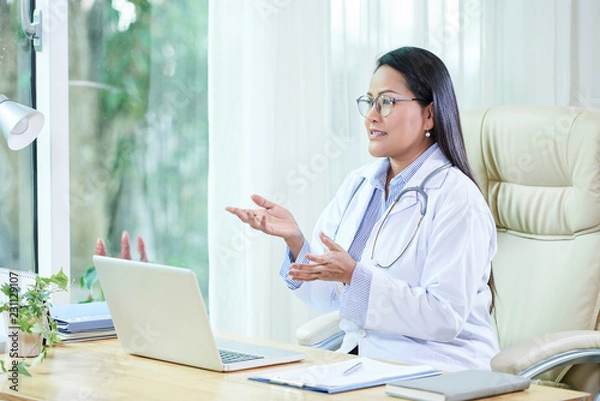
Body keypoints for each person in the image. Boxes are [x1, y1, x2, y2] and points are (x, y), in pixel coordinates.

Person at [226, 46, 499, 372]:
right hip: (367, 366)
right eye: (369, 102)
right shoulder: (359, 185)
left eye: (387, 102)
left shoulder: (458, 200)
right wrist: (296, 241)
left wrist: (354, 275)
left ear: (429, 113)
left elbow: (445, 316)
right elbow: (332, 298)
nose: (372, 115)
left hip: (440, 371)